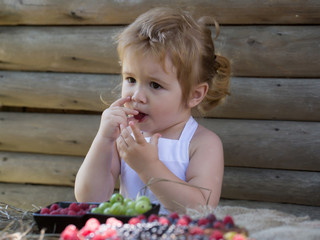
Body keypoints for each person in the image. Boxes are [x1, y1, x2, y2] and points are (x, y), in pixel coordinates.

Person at [75, 7, 231, 214]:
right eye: (130, 79)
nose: (137, 96)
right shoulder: (124, 136)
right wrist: (103, 140)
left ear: (195, 94)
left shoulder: (202, 143)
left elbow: (201, 209)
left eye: (155, 85)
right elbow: (89, 199)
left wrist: (148, 167)